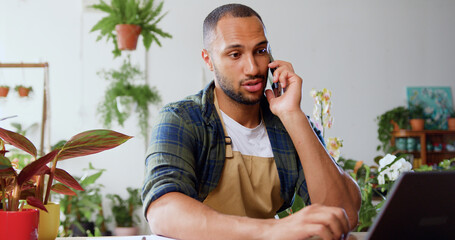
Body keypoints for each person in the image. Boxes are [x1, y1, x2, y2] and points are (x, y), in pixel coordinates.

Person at [142, 3, 361, 240]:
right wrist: (274, 229)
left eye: (260, 50)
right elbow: (163, 211)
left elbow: (344, 212)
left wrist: (292, 115)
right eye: (235, 54)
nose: (253, 68)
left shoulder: (289, 124)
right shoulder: (181, 119)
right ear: (208, 59)